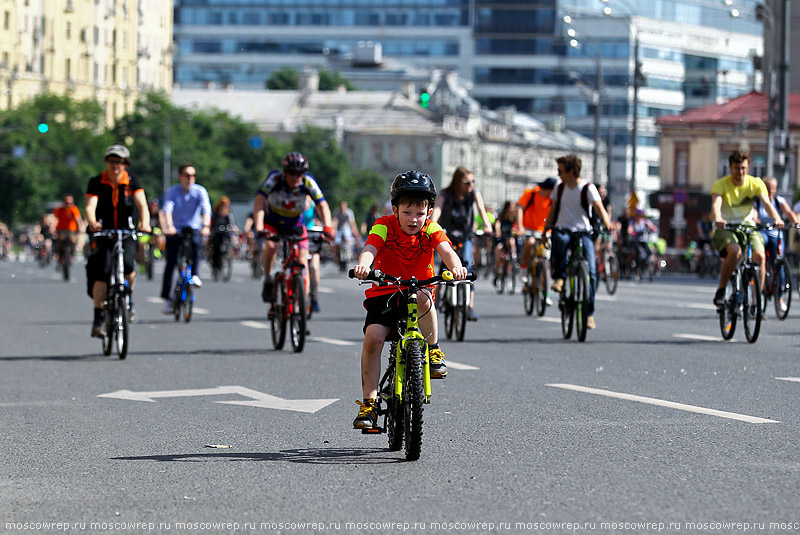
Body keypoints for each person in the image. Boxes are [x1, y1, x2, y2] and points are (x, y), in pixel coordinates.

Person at [351, 171, 468, 430]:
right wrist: (363, 266)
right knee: (373, 338)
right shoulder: (384, 224)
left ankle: (434, 349)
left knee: (425, 298)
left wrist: (457, 268)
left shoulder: (432, 228)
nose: (414, 219)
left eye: (420, 213)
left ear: (428, 212)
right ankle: (369, 404)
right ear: (395, 210)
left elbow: (447, 250)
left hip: (418, 291)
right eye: (406, 212)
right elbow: (370, 247)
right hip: (385, 293)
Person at [85, 144, 151, 336]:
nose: (116, 165)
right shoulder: (96, 182)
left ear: (125, 163)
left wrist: (145, 223)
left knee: (129, 266)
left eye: (120, 162)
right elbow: (90, 206)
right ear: (106, 162)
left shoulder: (132, 181)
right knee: (102, 272)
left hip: (126, 231)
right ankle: (98, 319)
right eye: (112, 161)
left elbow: (142, 205)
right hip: (104, 231)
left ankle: (128, 301)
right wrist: (92, 222)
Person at [253, 152, 334, 303]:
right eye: (292, 173)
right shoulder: (275, 179)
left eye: (300, 174)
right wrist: (258, 226)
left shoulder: (308, 182)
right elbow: (259, 200)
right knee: (271, 246)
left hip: (295, 224)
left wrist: (328, 227)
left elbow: (322, 205)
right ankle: (268, 278)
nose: (296, 177)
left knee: (303, 258)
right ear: (284, 172)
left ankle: (300, 302)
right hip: (273, 223)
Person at [545, 155, 612, 330]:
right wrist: (547, 229)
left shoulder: (587, 188)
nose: (558, 174)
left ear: (571, 171)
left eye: (560, 171)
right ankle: (559, 277)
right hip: (563, 228)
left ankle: (588, 313)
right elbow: (552, 211)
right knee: (559, 240)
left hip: (583, 231)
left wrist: (607, 223)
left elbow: (600, 209)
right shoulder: (559, 188)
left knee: (591, 271)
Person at [711, 150, 783, 306]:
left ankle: (757, 302)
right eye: (737, 168)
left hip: (748, 227)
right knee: (735, 251)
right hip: (726, 226)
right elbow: (716, 204)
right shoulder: (721, 184)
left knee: (760, 256)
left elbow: (767, 203)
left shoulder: (755, 183)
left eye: (743, 168)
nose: (740, 172)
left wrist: (776, 218)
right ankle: (721, 290)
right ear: (730, 167)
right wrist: (718, 218)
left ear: (748, 167)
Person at [432, 166, 493, 321]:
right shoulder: (446, 194)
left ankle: (469, 307)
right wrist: (431, 225)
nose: (470, 185)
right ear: (458, 182)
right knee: (446, 265)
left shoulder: (474, 193)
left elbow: (481, 209)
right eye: (467, 182)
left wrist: (487, 225)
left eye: (473, 181)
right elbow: (437, 210)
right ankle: (437, 295)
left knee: (466, 267)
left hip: (466, 234)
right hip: (448, 234)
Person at [160, 164, 212, 313]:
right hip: (175, 229)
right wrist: (169, 226)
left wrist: (205, 226)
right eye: (187, 175)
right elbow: (168, 209)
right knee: (170, 263)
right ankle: (166, 299)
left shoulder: (200, 191)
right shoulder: (173, 191)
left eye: (193, 175)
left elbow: (206, 209)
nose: (191, 178)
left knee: (196, 246)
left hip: (193, 228)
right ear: (180, 176)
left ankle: (195, 275)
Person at [516, 177, 555, 302]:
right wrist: (520, 227)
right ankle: (523, 268)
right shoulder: (531, 193)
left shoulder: (552, 199)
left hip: (545, 231)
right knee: (530, 242)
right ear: (549, 190)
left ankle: (545, 293)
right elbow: (520, 208)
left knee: (545, 260)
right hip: (529, 229)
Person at [755, 177, 799, 271]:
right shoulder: (758, 201)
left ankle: (781, 284)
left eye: (773, 188)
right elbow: (754, 213)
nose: (770, 191)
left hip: (775, 232)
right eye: (768, 188)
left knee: (779, 259)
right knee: (760, 251)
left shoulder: (779, 200)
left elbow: (789, 212)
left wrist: (796, 223)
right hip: (762, 231)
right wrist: (755, 220)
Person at [209, 196, 239, 274]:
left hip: (225, 233)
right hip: (216, 232)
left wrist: (235, 229)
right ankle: (215, 265)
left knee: (230, 240)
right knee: (216, 247)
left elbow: (231, 224)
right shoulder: (215, 213)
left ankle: (229, 253)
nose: (224, 206)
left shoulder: (228, 214)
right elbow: (211, 224)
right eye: (223, 204)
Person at [53, 195, 84, 266]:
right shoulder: (59, 210)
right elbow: (55, 219)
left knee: (74, 240)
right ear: (64, 202)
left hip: (71, 230)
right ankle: (59, 255)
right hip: (61, 229)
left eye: (70, 203)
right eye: (67, 203)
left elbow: (78, 219)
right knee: (59, 242)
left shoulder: (74, 209)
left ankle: (72, 254)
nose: (68, 204)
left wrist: (80, 227)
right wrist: (53, 228)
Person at [493, 201, 519, 283]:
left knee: (511, 241)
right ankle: (496, 273)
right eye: (510, 207)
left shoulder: (514, 217)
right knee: (498, 250)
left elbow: (517, 225)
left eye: (513, 207)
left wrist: (517, 230)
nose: (511, 209)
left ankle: (513, 256)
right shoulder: (501, 216)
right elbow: (497, 224)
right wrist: (498, 231)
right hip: (501, 238)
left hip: (510, 237)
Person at [333, 200, 361, 267]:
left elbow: (352, 223)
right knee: (337, 241)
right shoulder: (336, 212)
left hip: (346, 228)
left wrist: (355, 231)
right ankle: (337, 255)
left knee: (348, 237)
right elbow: (335, 222)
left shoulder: (349, 212)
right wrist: (333, 230)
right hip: (339, 228)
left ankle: (349, 252)